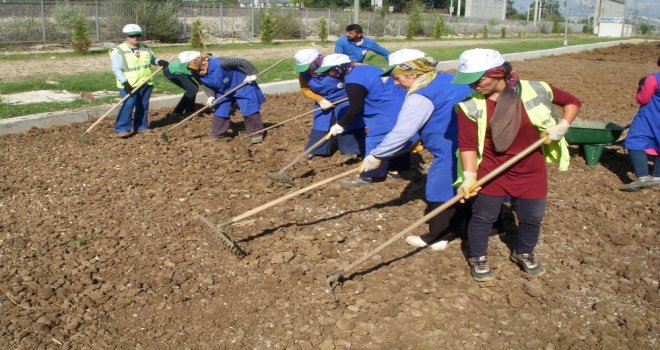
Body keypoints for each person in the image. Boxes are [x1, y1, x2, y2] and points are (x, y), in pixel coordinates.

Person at [452, 48, 581, 281]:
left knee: (532, 217)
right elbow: (468, 144)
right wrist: (470, 175)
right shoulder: (469, 106)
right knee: (483, 216)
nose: (473, 86)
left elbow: (572, 101)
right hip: (491, 169)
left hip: (530, 169)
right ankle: (478, 256)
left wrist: (563, 125)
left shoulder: (537, 89)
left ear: (498, 73)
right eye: (468, 82)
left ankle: (524, 251)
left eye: (478, 80)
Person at [359, 49, 473, 250]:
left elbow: (402, 132)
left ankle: (438, 237)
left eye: (397, 77)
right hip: (475, 144)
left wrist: (377, 154)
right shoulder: (451, 79)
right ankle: (489, 226)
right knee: (475, 185)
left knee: (441, 189)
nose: (395, 83)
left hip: (450, 149)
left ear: (412, 74)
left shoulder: (420, 96)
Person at [314, 53, 410, 187]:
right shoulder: (366, 68)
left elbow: (355, 108)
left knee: (376, 140)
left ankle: (369, 176)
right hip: (400, 102)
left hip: (383, 111)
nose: (329, 75)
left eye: (330, 71)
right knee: (398, 137)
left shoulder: (353, 81)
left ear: (339, 68)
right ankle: (398, 170)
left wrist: (341, 124)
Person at [179, 51, 265, 143]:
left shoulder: (220, 62)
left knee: (249, 107)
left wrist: (251, 74)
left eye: (189, 63)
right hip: (222, 90)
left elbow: (242, 61)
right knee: (220, 109)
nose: (188, 66)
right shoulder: (195, 72)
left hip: (242, 84)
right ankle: (217, 134)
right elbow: (205, 85)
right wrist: (211, 97)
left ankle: (256, 133)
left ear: (198, 60)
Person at [294, 48, 364, 159]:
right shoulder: (304, 75)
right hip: (323, 101)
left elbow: (354, 71)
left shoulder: (333, 65)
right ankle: (316, 149)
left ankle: (351, 151)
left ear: (316, 62)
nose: (306, 71)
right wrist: (320, 100)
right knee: (321, 123)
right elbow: (305, 89)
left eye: (308, 67)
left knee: (347, 122)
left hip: (344, 98)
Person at [109, 24, 168, 137]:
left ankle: (141, 126)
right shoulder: (118, 51)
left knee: (143, 105)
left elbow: (152, 59)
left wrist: (159, 61)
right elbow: (116, 69)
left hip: (146, 82)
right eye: (132, 36)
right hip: (129, 84)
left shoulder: (145, 48)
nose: (135, 38)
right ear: (126, 36)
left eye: (138, 35)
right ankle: (122, 128)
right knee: (129, 104)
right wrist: (125, 83)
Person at [620, 55, 660, 191]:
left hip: (651, 117)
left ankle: (643, 177)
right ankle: (658, 176)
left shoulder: (653, 79)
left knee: (635, 141)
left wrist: (639, 90)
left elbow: (643, 99)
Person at [163, 53, 202, 119]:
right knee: (192, 89)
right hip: (172, 71)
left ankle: (189, 109)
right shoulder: (198, 65)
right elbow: (201, 81)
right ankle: (177, 112)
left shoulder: (204, 62)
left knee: (193, 88)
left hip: (180, 70)